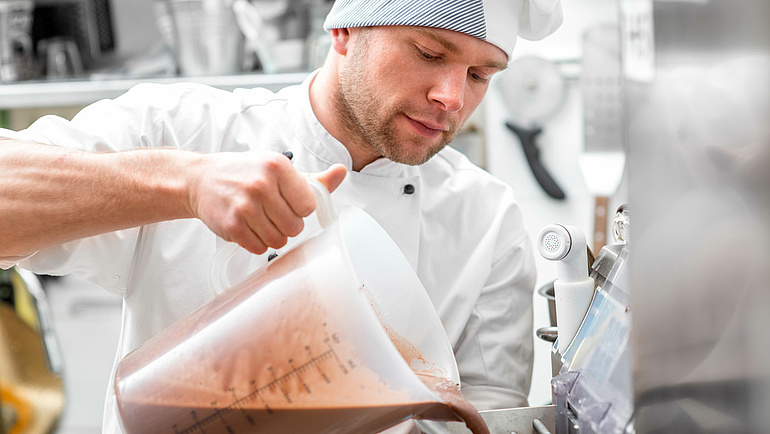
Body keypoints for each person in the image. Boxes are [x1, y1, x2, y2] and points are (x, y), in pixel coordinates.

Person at [0, 0, 562, 432]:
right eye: (430, 53)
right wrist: (185, 183)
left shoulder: (487, 220)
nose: (451, 97)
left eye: (480, 75)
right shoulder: (189, 131)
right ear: (344, 31)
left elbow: (485, 415)